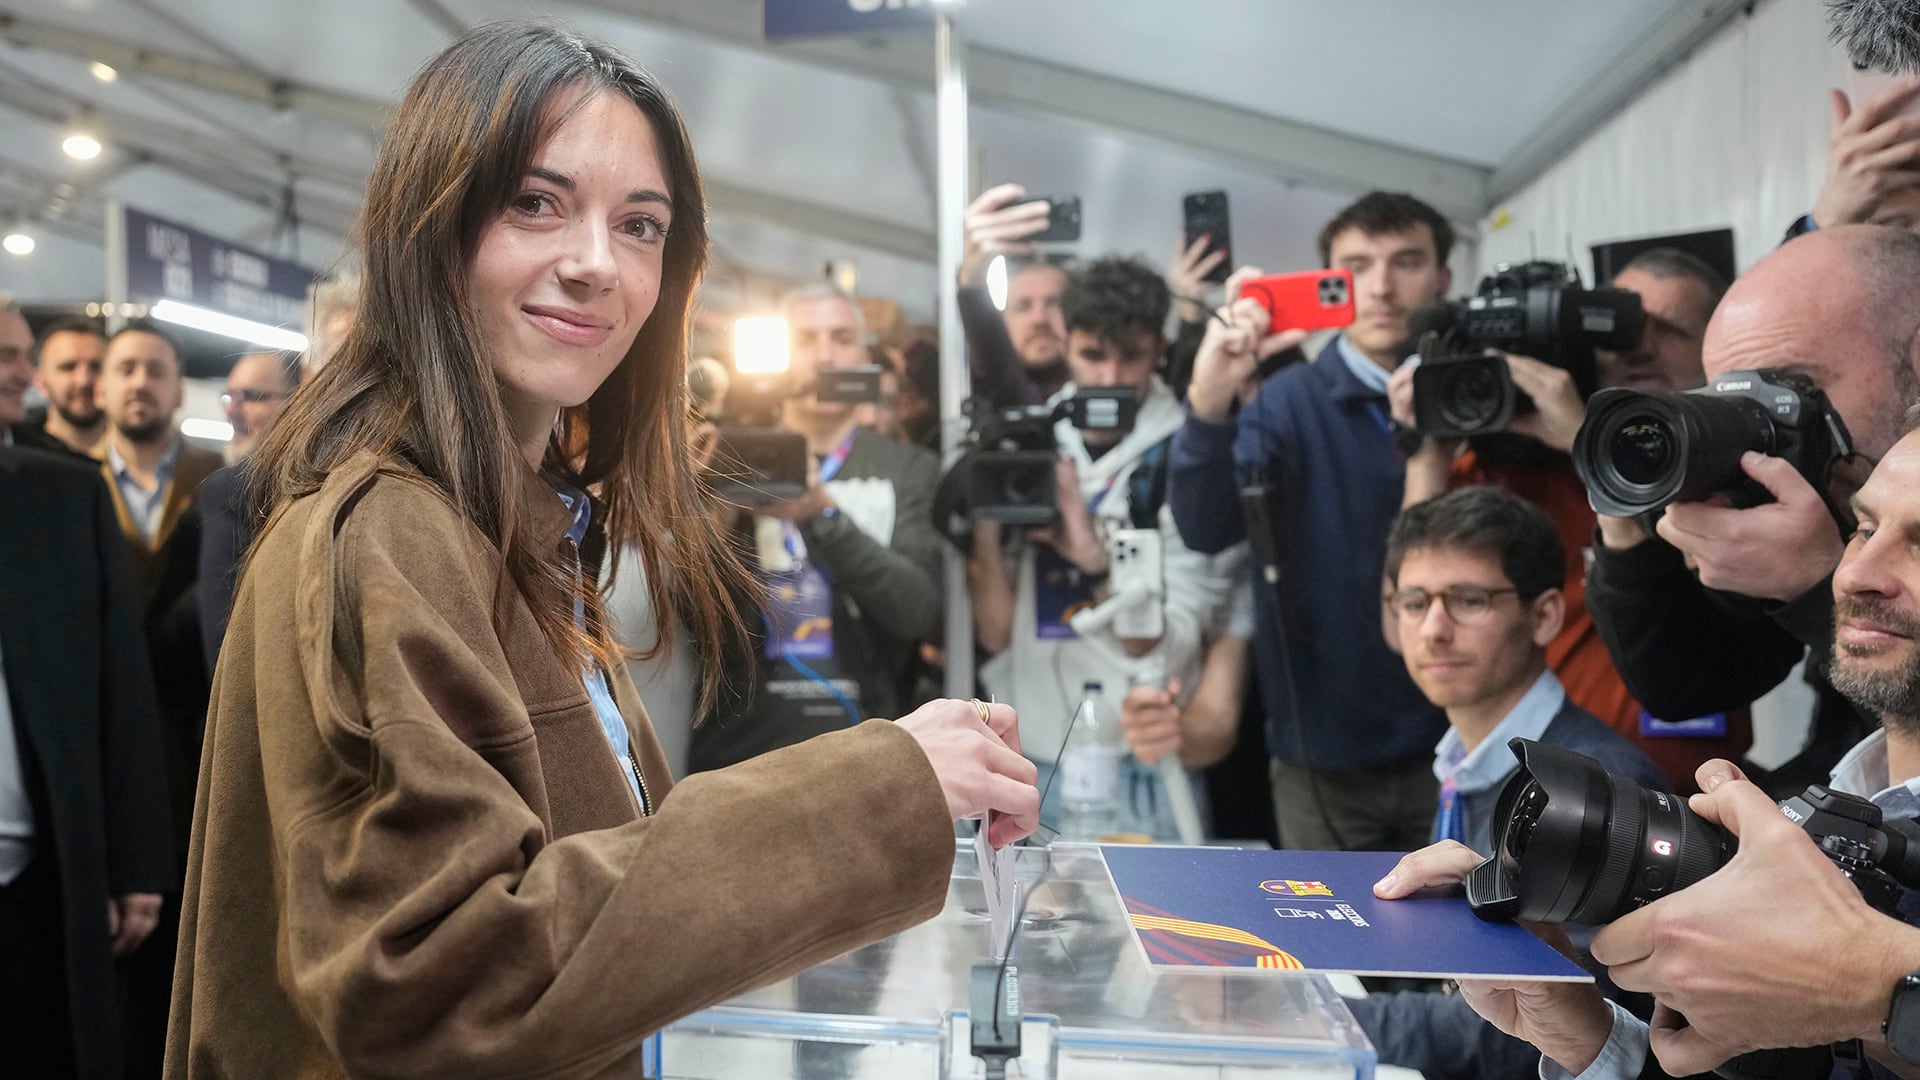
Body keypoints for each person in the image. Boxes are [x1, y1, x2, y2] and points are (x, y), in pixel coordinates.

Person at [165, 23, 1039, 1077]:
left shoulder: (511, 522)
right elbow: (444, 981)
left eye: (641, 225)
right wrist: (881, 783)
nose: (594, 264)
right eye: (535, 203)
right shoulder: (392, 528)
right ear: (430, 224)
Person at [1375, 420, 1920, 1079]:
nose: (1858, 572)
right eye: (1862, 528)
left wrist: (1875, 986)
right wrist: (1592, 1039)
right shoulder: (1825, 806)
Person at [1585, 226, 1920, 798]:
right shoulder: (1800, 495)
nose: (1758, 421)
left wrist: (1817, 587)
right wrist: (1625, 517)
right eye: (1729, 397)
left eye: (1791, 387)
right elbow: (1685, 687)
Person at [1347, 486, 1668, 1079]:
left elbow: (1540, 1029)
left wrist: (1326, 1022)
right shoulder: (1460, 764)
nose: (1434, 630)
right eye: (1414, 602)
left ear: (1545, 614)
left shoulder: (1591, 789)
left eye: (1468, 600)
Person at [1390, 247, 1737, 791]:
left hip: (1687, 790)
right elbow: (1403, 621)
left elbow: (1688, 614)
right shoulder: (1486, 472)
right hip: (1529, 790)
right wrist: (1428, 450)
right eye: (1620, 329)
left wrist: (1589, 443)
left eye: (1669, 329)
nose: (1638, 348)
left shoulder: (1730, 474)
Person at [1170, 191, 1456, 850]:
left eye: (1406, 262)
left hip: (1464, 744)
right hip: (1319, 757)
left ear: (1442, 277)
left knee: (1467, 950)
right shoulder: (1287, 403)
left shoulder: (1480, 398)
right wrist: (1210, 400)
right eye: (1355, 266)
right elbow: (1205, 527)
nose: (1380, 287)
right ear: (1326, 281)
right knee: (1332, 952)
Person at [972, 256, 1250, 840]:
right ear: (1065, 345)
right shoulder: (1029, 441)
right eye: (1093, 354)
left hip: (1141, 765)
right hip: (1030, 755)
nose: (1110, 376)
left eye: (1132, 356)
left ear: (1162, 353)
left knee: (1163, 932)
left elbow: (1173, 647)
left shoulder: (1188, 460)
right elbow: (992, 631)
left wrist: (1095, 557)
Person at [0, 305, 174, 1079]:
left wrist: (136, 860)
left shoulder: (63, 498)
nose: (16, 372)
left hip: (38, 880)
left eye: (17, 354)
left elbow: (122, 692)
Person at [688, 283, 944, 771]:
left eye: (842, 337)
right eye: (805, 341)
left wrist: (822, 514)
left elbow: (918, 610)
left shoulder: (909, 468)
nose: (825, 355)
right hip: (739, 750)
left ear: (865, 355)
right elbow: (679, 608)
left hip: (870, 747)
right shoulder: (730, 452)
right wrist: (705, 505)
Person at [957, 183, 1071, 408]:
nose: (1039, 319)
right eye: (1022, 306)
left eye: (1054, 303)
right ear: (1002, 320)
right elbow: (992, 362)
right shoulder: (996, 396)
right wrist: (972, 280)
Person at [11, 314, 106, 456]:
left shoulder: (141, 453)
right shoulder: (17, 454)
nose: (83, 380)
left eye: (96, 367)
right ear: (40, 381)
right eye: (68, 367)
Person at [218, 350, 295, 462]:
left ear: (295, 400)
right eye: (230, 396)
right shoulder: (214, 475)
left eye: (251, 396)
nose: (231, 410)